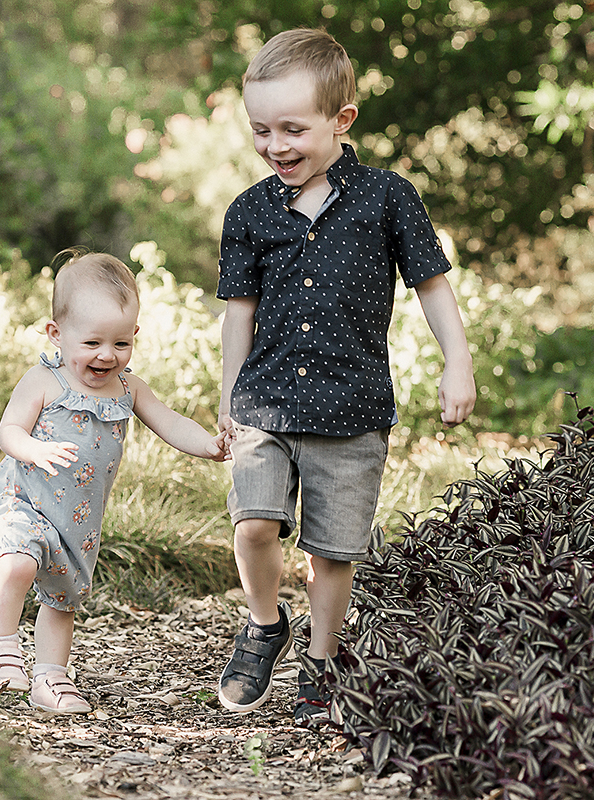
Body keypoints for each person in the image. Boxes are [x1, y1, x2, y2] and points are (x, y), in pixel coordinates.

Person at [215, 28, 476, 724]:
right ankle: (265, 625)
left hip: (351, 410)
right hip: (263, 406)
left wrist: (459, 361)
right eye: (261, 130)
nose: (276, 146)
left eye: (293, 129)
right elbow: (237, 316)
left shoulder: (388, 200)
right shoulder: (248, 211)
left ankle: (323, 659)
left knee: (332, 552)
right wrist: (227, 401)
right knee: (253, 526)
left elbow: (432, 287)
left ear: (342, 121)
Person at [0, 249, 228, 714]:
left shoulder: (130, 389)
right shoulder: (44, 380)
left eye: (120, 343)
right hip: (25, 499)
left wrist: (209, 445)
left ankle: (51, 678)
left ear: (134, 336)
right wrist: (34, 449)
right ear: (57, 334)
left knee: (61, 600)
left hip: (76, 521)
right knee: (17, 564)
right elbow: (7, 430)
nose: (106, 355)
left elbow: (170, 422)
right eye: (92, 342)